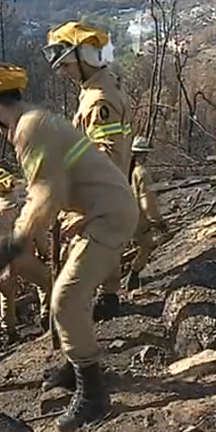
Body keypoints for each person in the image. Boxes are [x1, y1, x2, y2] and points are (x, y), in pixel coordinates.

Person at [0, 62, 138, 432]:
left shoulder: (29, 128)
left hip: (109, 215)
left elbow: (46, 194)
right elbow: (50, 187)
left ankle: (93, 394)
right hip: (100, 211)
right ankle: (72, 366)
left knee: (65, 299)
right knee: (66, 293)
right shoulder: (35, 122)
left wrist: (16, 239)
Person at [43, 20, 132, 319]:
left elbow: (105, 155)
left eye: (67, 65)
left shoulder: (99, 100)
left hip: (99, 193)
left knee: (82, 258)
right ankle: (109, 297)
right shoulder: (101, 85)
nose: (63, 72)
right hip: (110, 189)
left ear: (86, 59)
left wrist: (84, 211)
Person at [0, 166, 53, 343]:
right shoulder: (25, 207)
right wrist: (44, 252)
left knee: (7, 296)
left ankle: (10, 331)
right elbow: (38, 233)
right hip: (26, 257)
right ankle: (47, 315)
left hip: (4, 262)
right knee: (47, 284)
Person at [124, 136, 167, 290]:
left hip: (121, 216)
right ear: (144, 154)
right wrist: (157, 221)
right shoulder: (142, 173)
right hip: (137, 219)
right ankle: (133, 276)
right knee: (147, 245)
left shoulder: (123, 170)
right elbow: (147, 201)